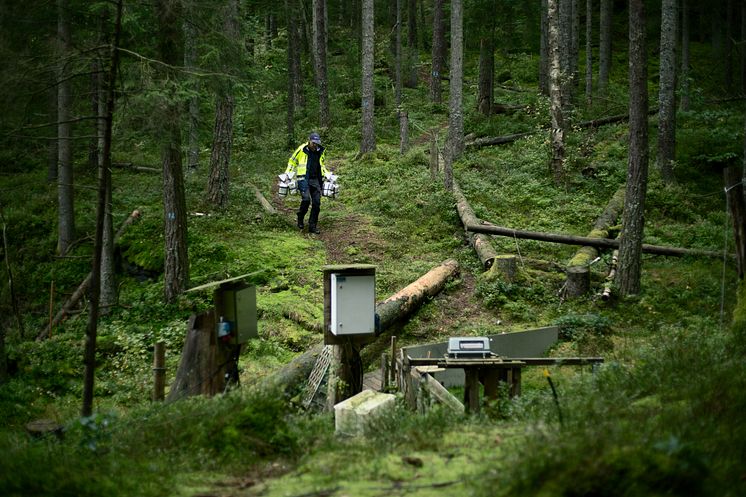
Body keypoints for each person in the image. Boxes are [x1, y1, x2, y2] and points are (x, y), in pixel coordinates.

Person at [285, 132, 329, 234]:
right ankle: (300, 217)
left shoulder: (321, 151)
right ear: (309, 141)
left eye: (317, 143)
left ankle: (312, 226)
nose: (315, 145)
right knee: (306, 200)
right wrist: (287, 174)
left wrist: (327, 175)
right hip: (303, 178)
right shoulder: (301, 149)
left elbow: (322, 165)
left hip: (316, 180)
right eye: (313, 143)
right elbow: (292, 161)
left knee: (317, 203)